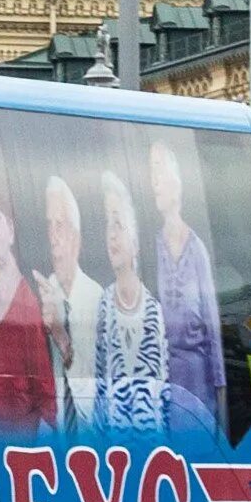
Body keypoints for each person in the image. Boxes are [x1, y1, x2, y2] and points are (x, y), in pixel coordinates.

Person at [149, 139, 226, 438]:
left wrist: (219, 393)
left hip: (197, 388)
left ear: (176, 181)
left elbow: (214, 330)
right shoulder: (151, 247)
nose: (154, 183)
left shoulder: (197, 251)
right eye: (150, 174)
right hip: (160, 384)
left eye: (159, 171)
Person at [92, 172, 166, 434]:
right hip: (114, 457)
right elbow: (100, 387)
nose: (111, 235)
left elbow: (165, 394)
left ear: (135, 243)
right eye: (108, 225)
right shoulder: (104, 306)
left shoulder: (154, 312)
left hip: (152, 456)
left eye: (119, 225)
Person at [0, 199, 59, 430]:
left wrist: (49, 421)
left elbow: (42, 371)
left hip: (25, 427)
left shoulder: (27, 296)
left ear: (12, 231)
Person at [35, 174, 104, 429]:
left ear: (76, 238)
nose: (53, 236)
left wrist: (60, 334)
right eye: (49, 225)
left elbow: (93, 403)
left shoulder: (96, 301)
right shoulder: (42, 296)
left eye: (60, 226)